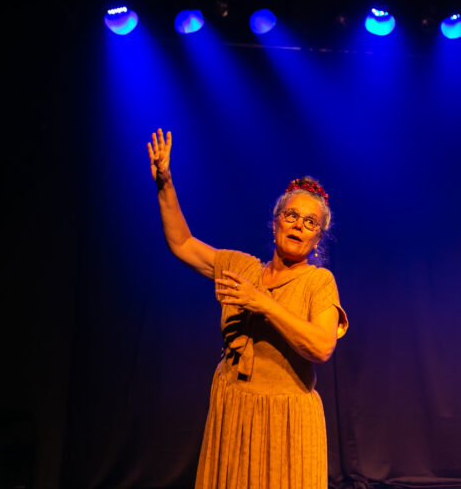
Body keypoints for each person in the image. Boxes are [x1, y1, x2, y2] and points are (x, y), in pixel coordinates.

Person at [147, 128, 348, 488]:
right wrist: (165, 182)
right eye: (291, 216)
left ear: (318, 238)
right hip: (234, 408)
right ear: (275, 224)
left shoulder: (318, 282)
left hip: (287, 419)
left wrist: (264, 304)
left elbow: (321, 346)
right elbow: (181, 242)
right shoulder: (242, 268)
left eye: (310, 222)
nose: (298, 226)